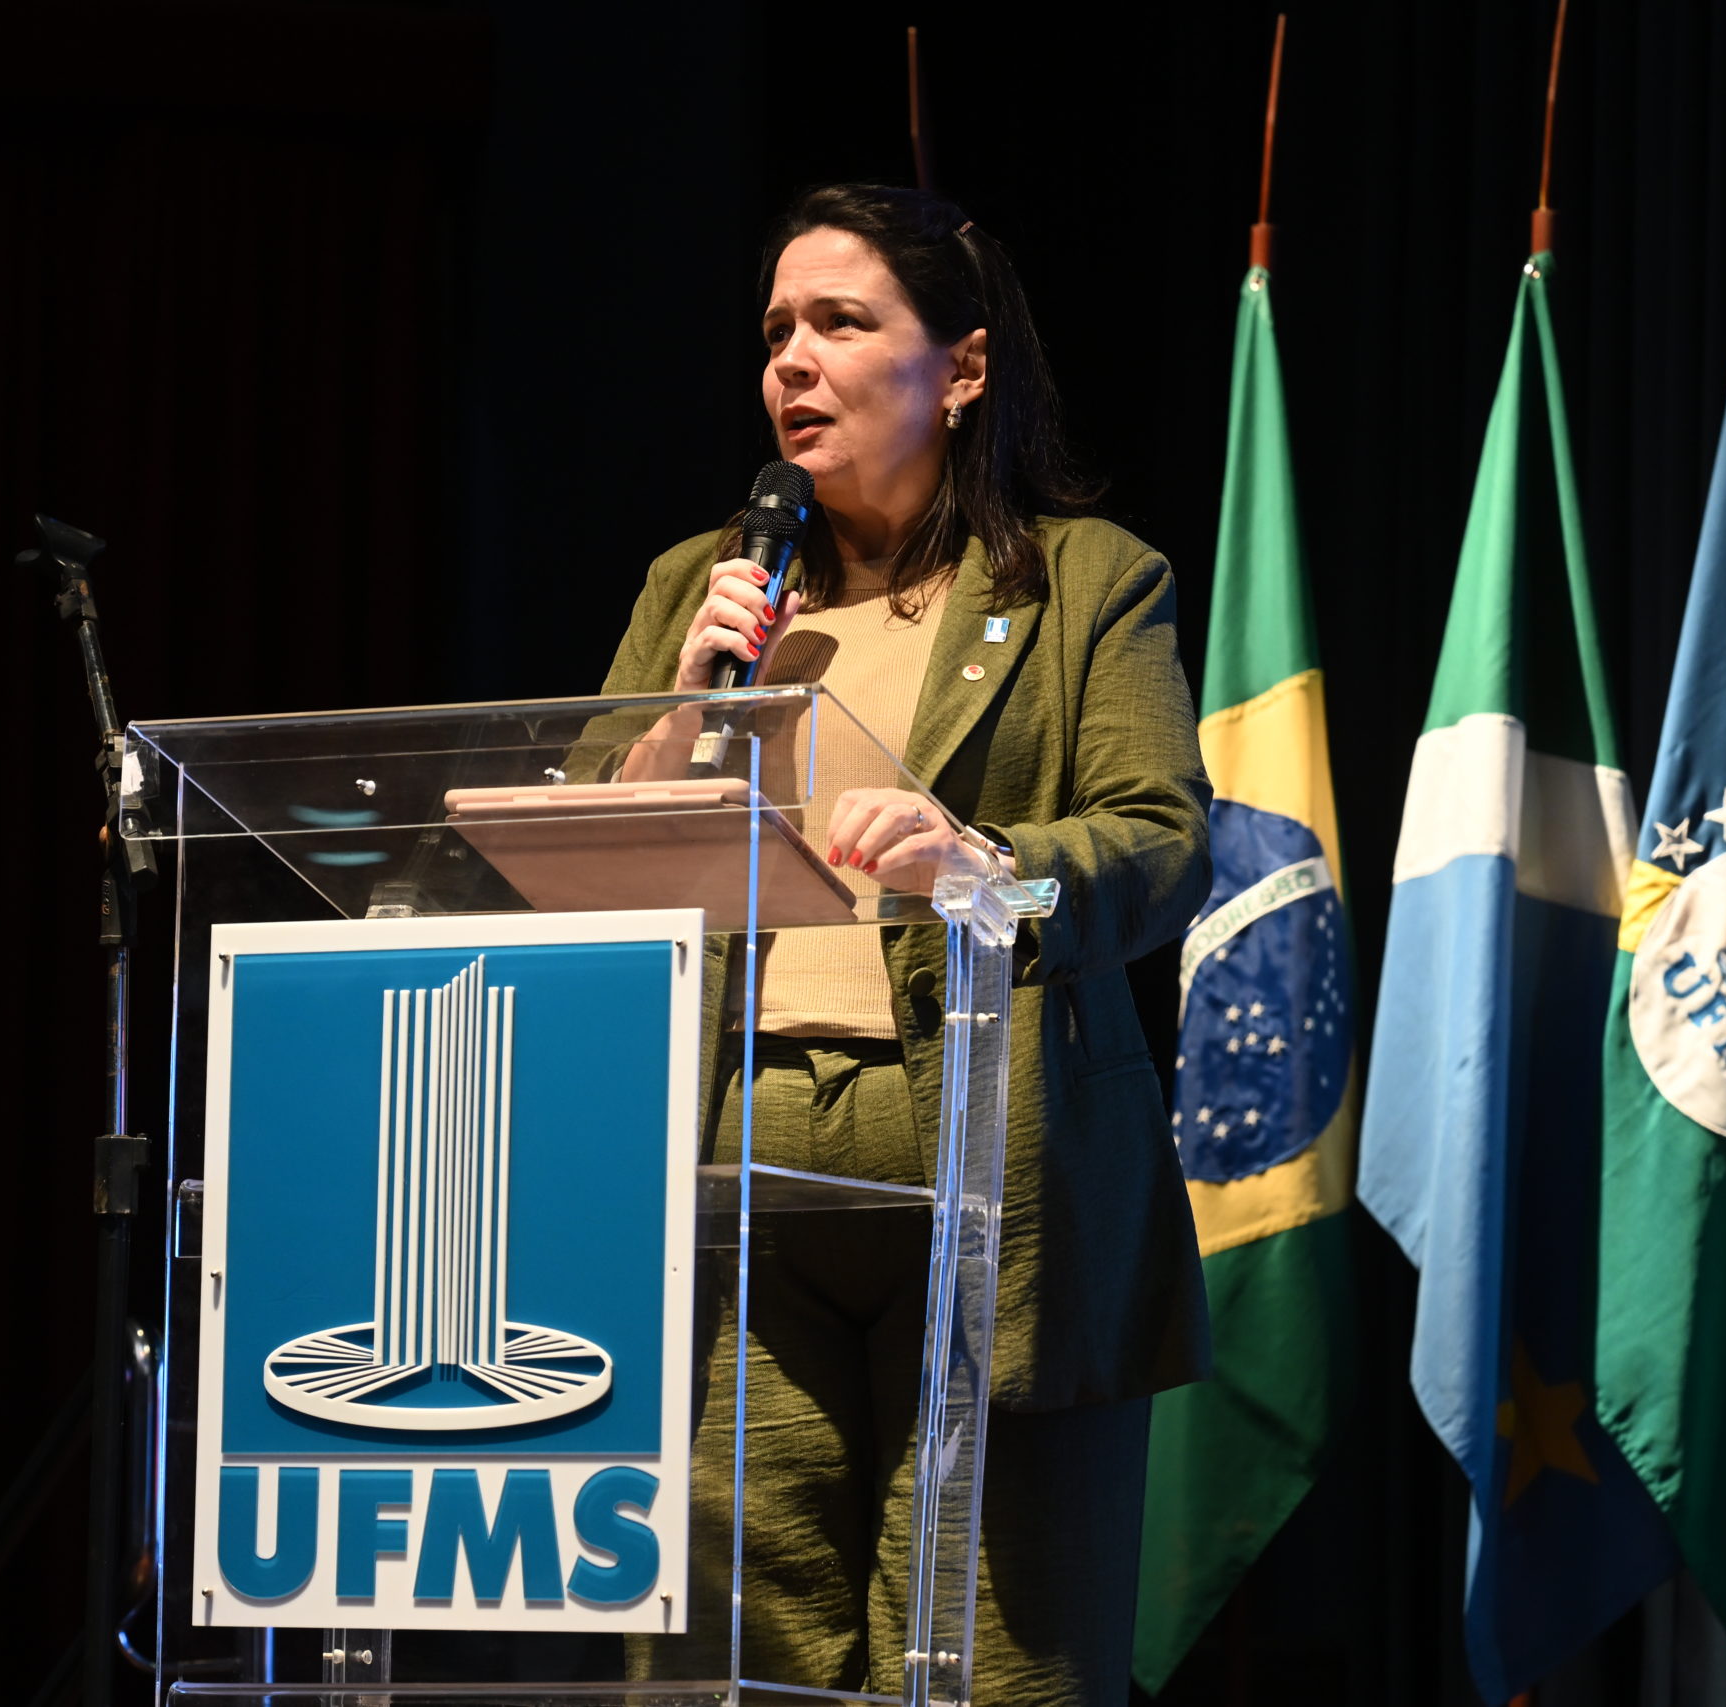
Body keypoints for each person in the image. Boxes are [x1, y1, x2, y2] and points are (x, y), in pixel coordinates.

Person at [597, 183, 1211, 1706]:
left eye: (841, 323)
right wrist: (683, 707)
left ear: (966, 366)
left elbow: (1161, 841)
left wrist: (983, 864)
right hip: (739, 1160)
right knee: (733, 1655)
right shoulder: (698, 591)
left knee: (998, 1653)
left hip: (996, 1165)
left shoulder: (1083, 580)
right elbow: (587, 856)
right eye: (776, 332)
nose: (792, 363)